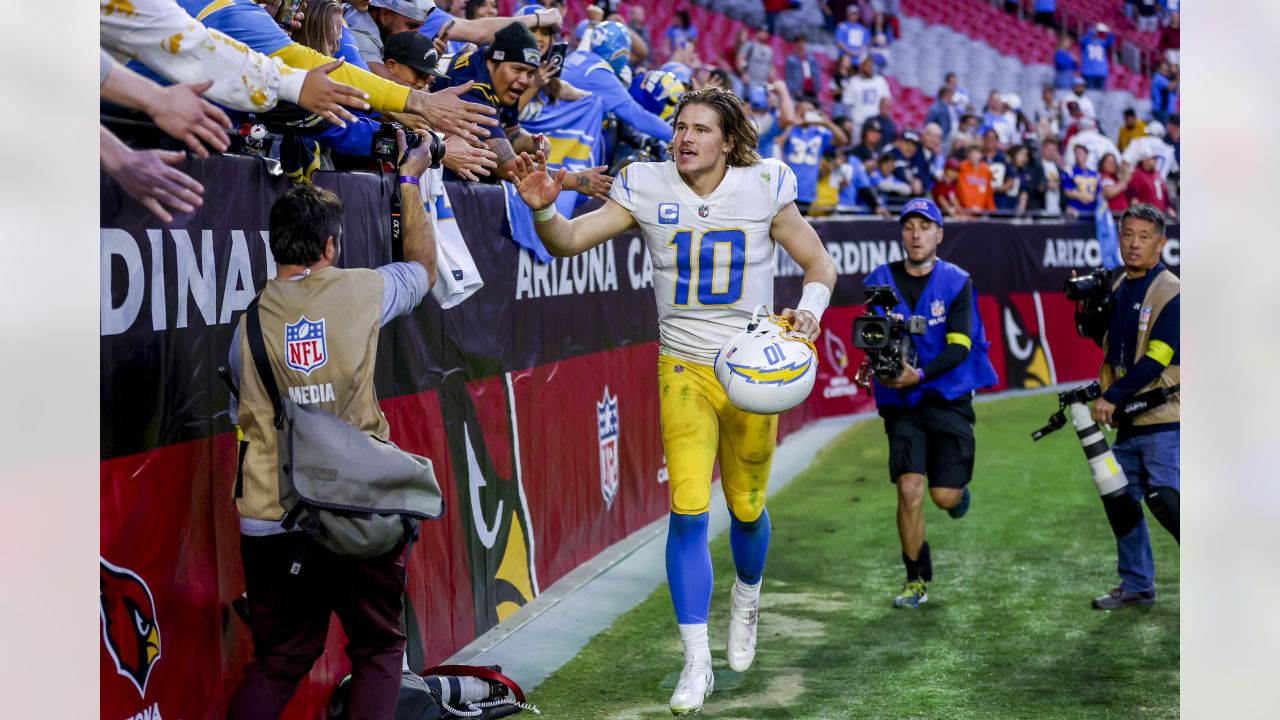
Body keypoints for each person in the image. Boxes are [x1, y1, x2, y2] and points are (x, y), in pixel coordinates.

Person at [507, 87, 837, 715]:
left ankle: (747, 593)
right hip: (683, 367)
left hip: (752, 367)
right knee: (687, 509)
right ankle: (695, 660)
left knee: (746, 507)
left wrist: (810, 314)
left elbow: (819, 262)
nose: (684, 138)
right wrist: (546, 213)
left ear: (730, 141)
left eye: (700, 129)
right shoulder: (646, 182)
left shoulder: (765, 183)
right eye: (679, 126)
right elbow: (568, 242)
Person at [225, 134, 439, 718]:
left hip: (270, 514)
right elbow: (424, 268)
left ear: (276, 248)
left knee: (277, 659)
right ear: (329, 244)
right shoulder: (365, 289)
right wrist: (412, 180)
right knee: (377, 648)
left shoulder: (245, 326)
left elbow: (241, 401)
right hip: (355, 508)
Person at [865, 198, 998, 609]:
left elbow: (960, 346)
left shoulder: (958, 281)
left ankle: (958, 495)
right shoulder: (878, 280)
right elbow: (876, 337)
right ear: (902, 233)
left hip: (949, 394)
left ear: (940, 234)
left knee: (943, 496)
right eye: (910, 226)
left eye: (926, 226)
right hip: (902, 400)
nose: (917, 233)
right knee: (909, 489)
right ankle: (915, 579)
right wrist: (877, 365)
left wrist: (919, 374)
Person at [1074, 203, 1180, 609]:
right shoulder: (1118, 286)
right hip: (1129, 423)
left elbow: (1156, 359)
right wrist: (1086, 309)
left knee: (1166, 501)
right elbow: (1105, 342)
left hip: (1164, 420)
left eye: (1144, 237)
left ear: (1161, 243)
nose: (1134, 244)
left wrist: (1112, 396)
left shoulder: (1171, 291)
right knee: (1121, 503)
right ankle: (1138, 584)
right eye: (1128, 235)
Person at [439, 22, 611, 196]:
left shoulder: (495, 71)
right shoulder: (473, 89)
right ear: (492, 63)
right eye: (518, 69)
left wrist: (533, 142)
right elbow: (506, 166)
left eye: (530, 73)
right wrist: (576, 181)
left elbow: (510, 130)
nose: (524, 80)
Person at [843, 53, 891, 135]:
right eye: (867, 65)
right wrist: (848, 120)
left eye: (871, 65)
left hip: (875, 123)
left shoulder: (880, 81)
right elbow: (847, 103)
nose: (870, 67)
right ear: (861, 66)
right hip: (858, 122)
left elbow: (886, 100)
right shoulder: (854, 81)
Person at [1080, 23, 1114, 90]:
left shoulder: (1102, 42)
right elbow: (1084, 40)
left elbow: (1110, 42)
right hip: (1089, 72)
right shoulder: (1086, 41)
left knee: (1100, 94)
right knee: (1090, 92)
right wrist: (1091, 30)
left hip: (1101, 71)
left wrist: (1110, 32)